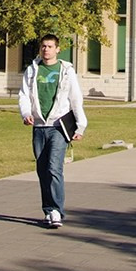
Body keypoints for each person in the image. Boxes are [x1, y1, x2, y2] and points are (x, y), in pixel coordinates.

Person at [18, 34, 88, 228]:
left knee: (54, 167)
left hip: (58, 126)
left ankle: (57, 210)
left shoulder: (66, 71)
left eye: (50, 46)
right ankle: (48, 210)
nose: (46, 50)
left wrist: (80, 126)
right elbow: (24, 95)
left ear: (58, 49)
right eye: (43, 46)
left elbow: (76, 98)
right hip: (39, 127)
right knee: (42, 170)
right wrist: (25, 113)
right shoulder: (32, 70)